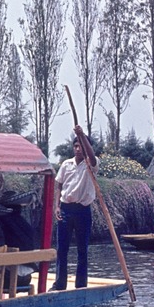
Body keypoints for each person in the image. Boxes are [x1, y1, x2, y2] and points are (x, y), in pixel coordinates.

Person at [52, 125, 97, 291]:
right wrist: (57, 206)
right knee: (61, 249)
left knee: (82, 251)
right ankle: (60, 284)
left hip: (82, 211)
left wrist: (81, 135)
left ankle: (80, 285)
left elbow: (92, 157)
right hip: (65, 209)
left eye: (81, 146)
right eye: (76, 146)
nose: (78, 149)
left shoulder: (91, 165)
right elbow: (59, 185)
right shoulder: (66, 164)